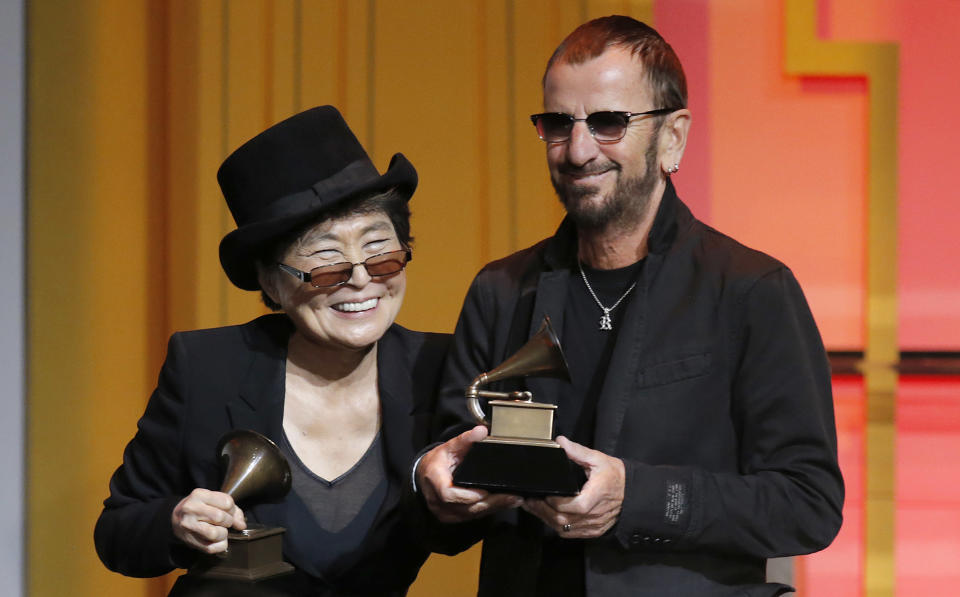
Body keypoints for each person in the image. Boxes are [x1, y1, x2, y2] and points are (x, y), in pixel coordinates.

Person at [415, 16, 844, 597]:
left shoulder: (752, 289)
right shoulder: (499, 289)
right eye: (558, 124)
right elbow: (448, 483)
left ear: (673, 137)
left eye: (609, 122)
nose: (579, 149)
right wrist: (436, 485)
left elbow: (807, 504)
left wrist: (637, 498)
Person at [95, 106, 448, 596]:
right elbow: (117, 532)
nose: (362, 279)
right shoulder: (206, 367)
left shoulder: (441, 368)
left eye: (381, 252)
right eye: (326, 263)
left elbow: (461, 530)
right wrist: (175, 522)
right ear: (271, 282)